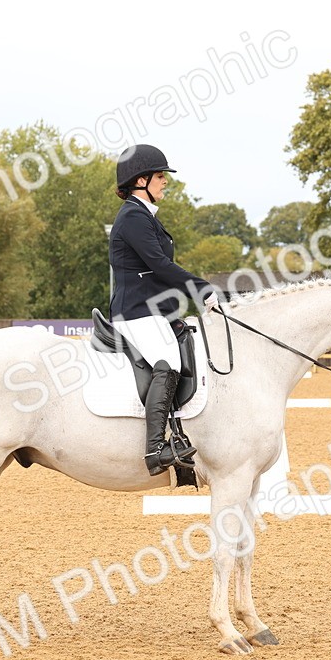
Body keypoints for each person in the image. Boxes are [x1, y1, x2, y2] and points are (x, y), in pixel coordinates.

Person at [108, 144, 220, 476]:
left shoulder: (143, 216)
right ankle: (156, 448)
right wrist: (201, 288)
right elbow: (158, 264)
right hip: (136, 312)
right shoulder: (132, 217)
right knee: (168, 361)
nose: (164, 182)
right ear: (140, 180)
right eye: (160, 176)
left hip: (152, 310)